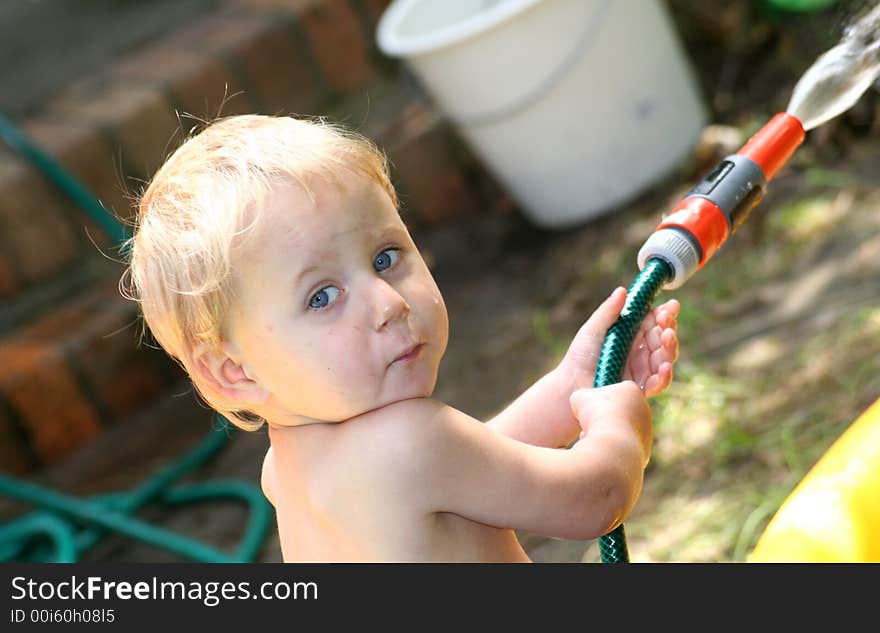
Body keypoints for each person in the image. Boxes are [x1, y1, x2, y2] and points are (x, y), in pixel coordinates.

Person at [122, 114, 680, 562]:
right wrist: (618, 428)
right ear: (235, 372)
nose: (389, 304)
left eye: (386, 258)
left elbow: (471, 480)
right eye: (322, 296)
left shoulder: (288, 474)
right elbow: (596, 499)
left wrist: (571, 387)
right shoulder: (411, 445)